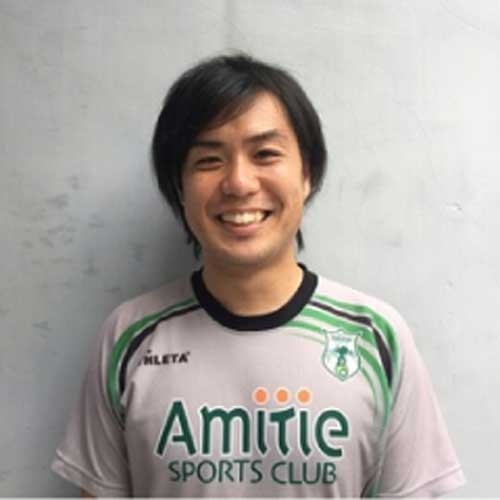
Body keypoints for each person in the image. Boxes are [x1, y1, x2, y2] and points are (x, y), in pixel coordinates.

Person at [52, 54, 465, 497]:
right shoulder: (129, 337)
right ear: (179, 186)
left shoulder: (376, 338)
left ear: (306, 173)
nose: (239, 183)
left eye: (265, 154)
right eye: (209, 160)